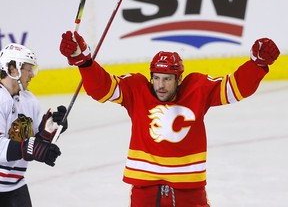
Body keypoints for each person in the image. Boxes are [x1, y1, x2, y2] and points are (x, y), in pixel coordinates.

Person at [59, 31, 280, 207]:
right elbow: (102, 88)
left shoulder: (197, 89)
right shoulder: (136, 90)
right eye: (156, 78)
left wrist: (256, 65)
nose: (161, 85)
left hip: (189, 192)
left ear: (179, 79)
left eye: (167, 79)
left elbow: (234, 89)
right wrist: (83, 61)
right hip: (145, 192)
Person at [0, 43, 68, 207]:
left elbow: (36, 140)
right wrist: (29, 148)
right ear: (13, 69)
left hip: (17, 184)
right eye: (28, 69)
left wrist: (54, 126)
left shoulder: (29, 100)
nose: (32, 74)